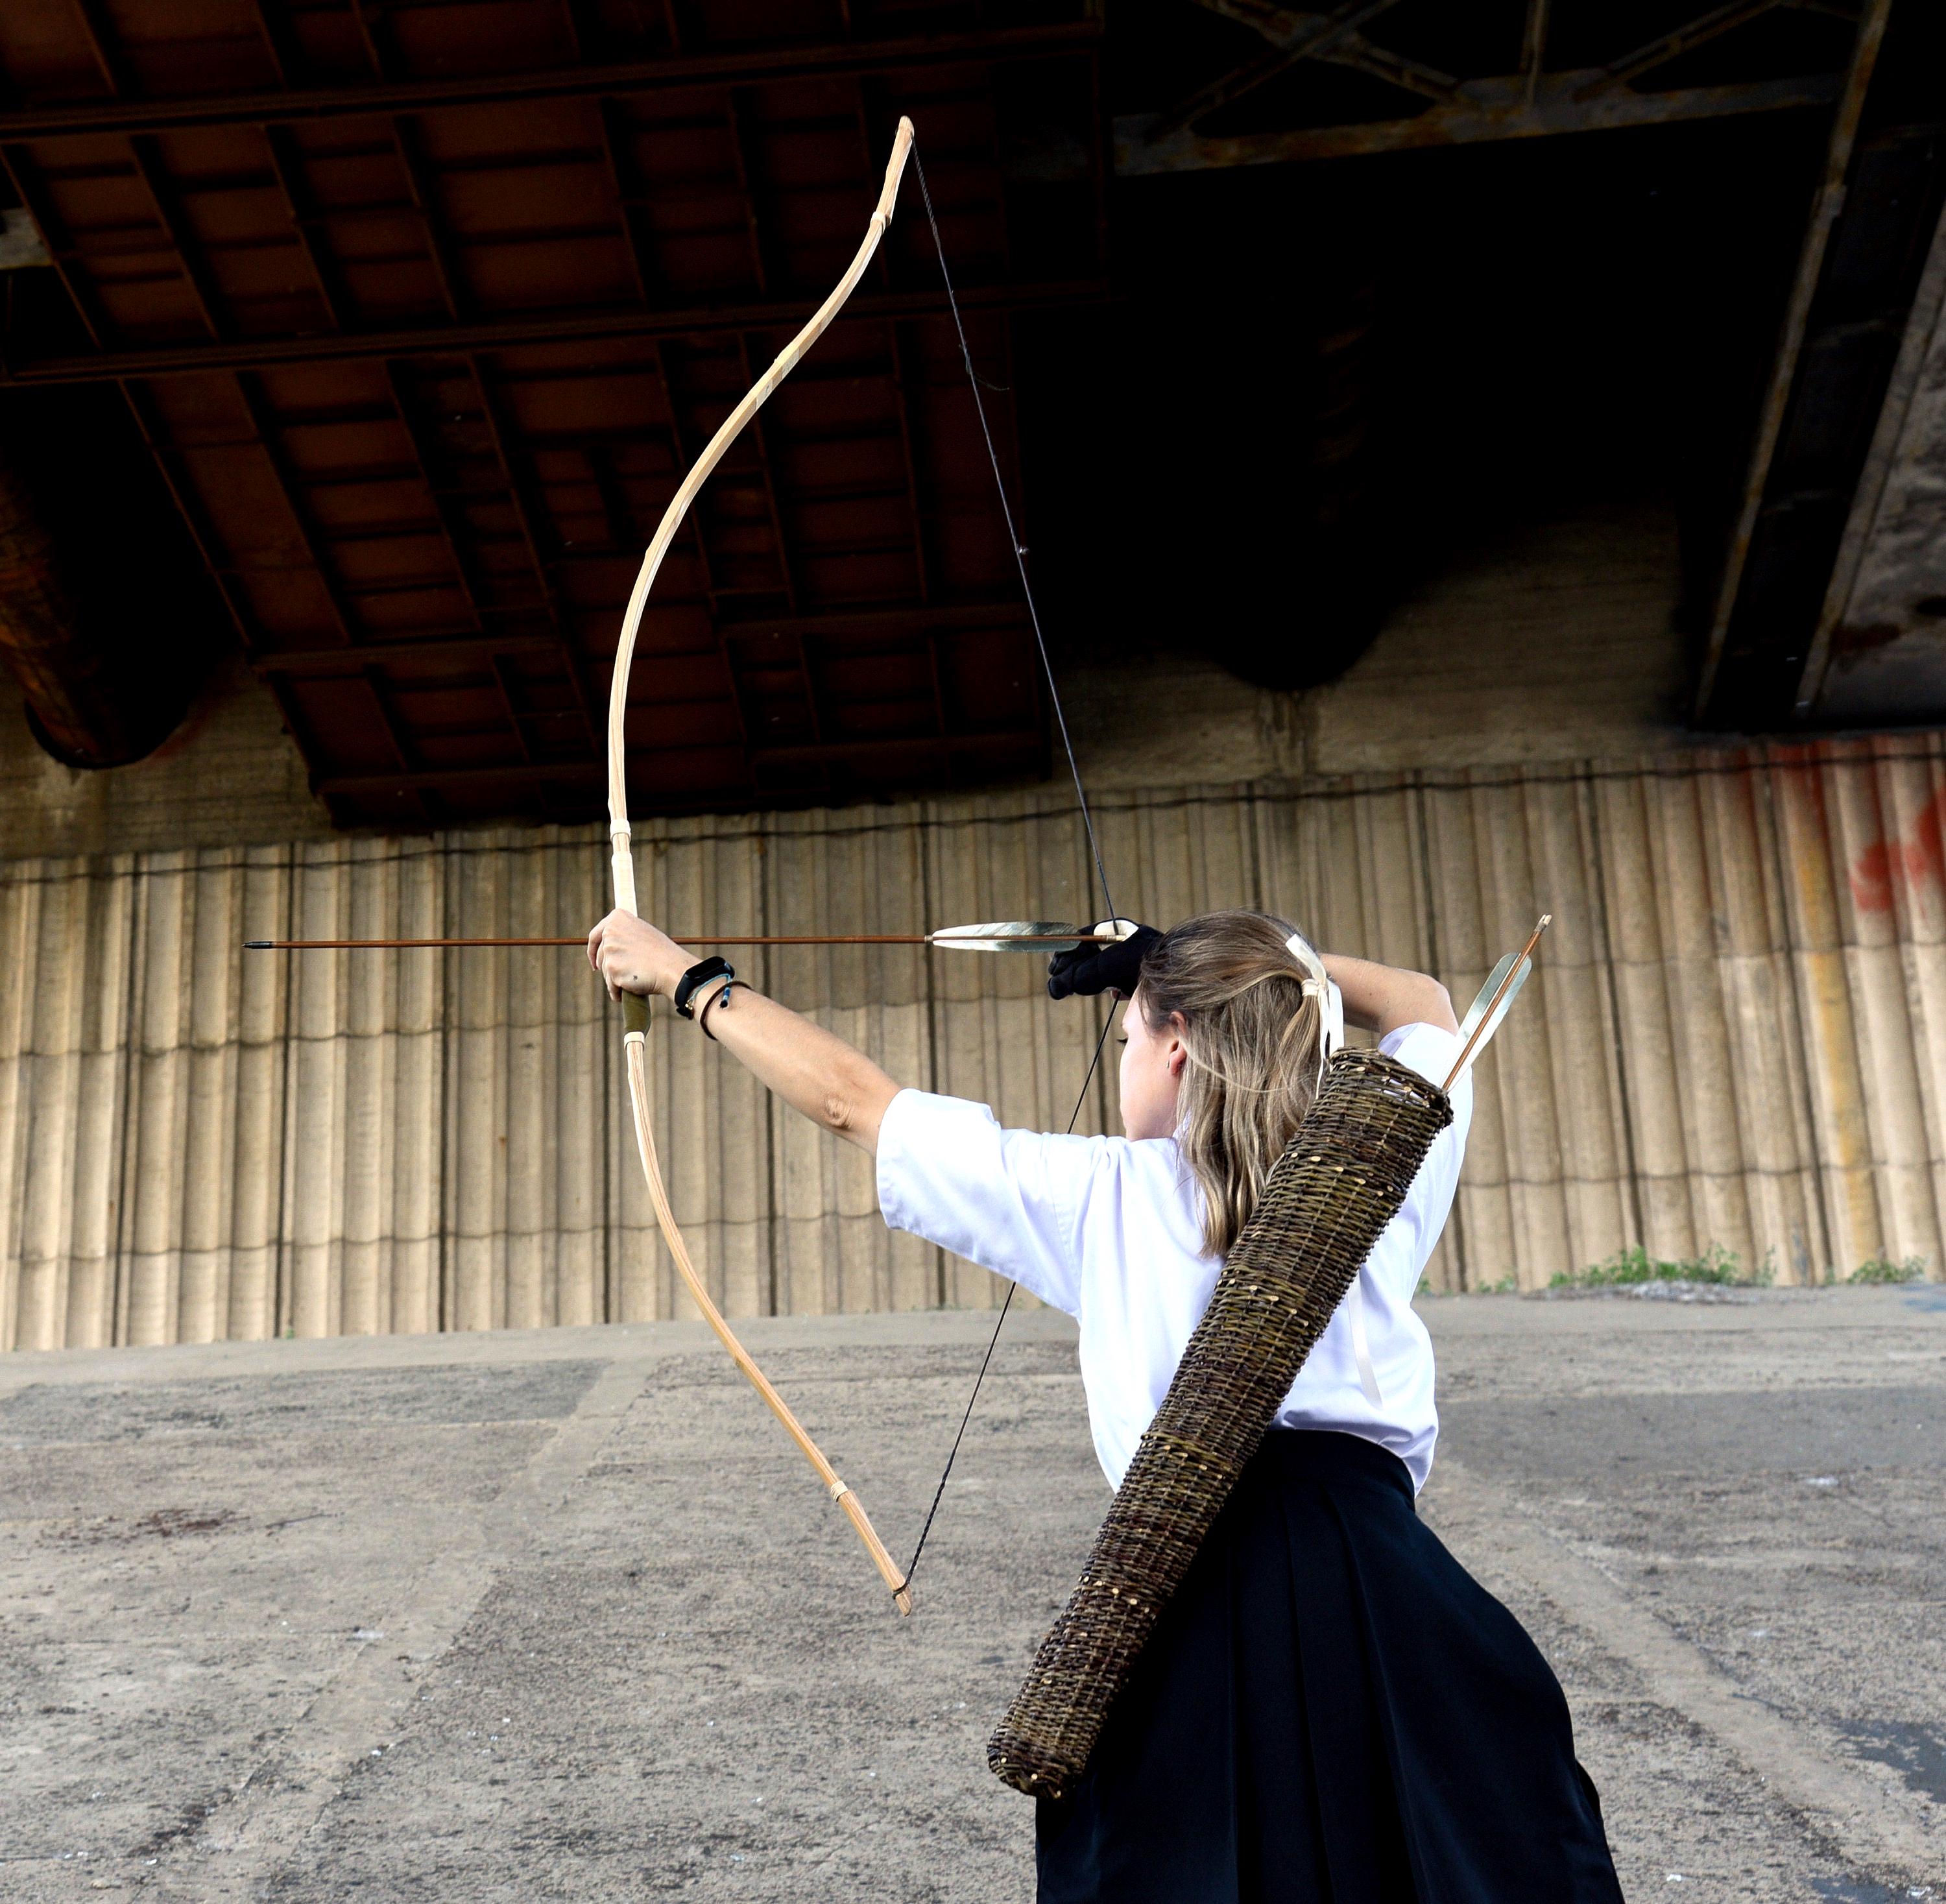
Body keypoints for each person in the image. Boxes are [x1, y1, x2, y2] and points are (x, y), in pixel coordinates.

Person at [586, 905, 1624, 1903]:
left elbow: (856, 1102)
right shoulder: (1379, 1158)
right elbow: (1421, 999)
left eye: (1131, 1028)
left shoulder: (1101, 1193)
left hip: (1186, 1584)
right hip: (1386, 1587)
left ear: (1175, 1048)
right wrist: (1204, 956)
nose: (1123, 1049)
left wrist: (690, 980)